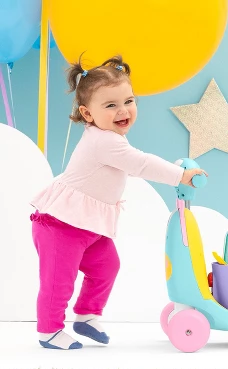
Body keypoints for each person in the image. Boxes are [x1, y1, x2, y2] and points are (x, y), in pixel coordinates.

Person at [30, 55, 207, 350]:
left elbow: (136, 162)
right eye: (111, 105)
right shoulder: (104, 141)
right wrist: (180, 176)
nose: (123, 110)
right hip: (61, 226)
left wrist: (175, 173)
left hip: (88, 225)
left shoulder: (109, 137)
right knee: (58, 281)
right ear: (87, 114)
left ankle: (87, 315)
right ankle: (48, 331)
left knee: (106, 266)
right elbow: (141, 164)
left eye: (129, 101)